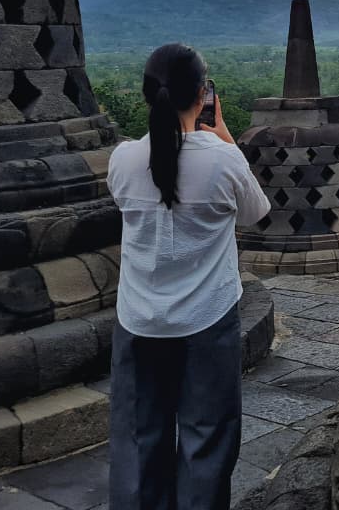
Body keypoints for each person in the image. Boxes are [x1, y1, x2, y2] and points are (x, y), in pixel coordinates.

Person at [106, 43, 271, 510]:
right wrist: (224, 137)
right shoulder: (222, 160)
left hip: (138, 318)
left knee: (138, 436)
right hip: (207, 318)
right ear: (203, 96)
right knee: (206, 435)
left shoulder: (122, 159)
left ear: (146, 95)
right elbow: (257, 212)